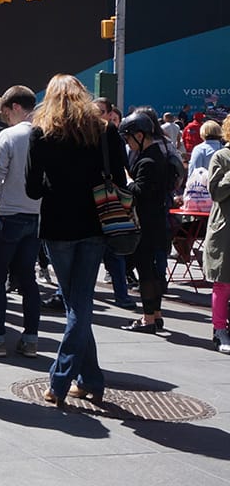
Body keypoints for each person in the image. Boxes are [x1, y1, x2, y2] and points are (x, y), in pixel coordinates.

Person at [28, 76, 127, 404]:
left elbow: (32, 189)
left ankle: (59, 381)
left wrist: (53, 181)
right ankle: (91, 380)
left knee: (77, 304)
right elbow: (122, 178)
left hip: (58, 226)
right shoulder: (104, 131)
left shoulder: (41, 134)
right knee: (79, 304)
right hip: (97, 223)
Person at [0, 86, 42, 358]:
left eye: (4, 111)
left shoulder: (9, 136)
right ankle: (31, 338)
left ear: (14, 107)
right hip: (37, 216)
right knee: (28, 279)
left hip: (9, 214)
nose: (3, 117)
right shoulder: (47, 133)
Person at [119, 112, 175, 334]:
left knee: (145, 271)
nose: (128, 143)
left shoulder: (147, 160)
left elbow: (139, 191)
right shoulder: (158, 154)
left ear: (140, 135)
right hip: (156, 221)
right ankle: (156, 315)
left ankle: (148, 318)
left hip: (145, 223)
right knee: (150, 270)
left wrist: (128, 180)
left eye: (129, 138)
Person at [204, 125, 230, 354]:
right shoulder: (221, 156)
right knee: (223, 283)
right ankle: (219, 329)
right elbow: (216, 193)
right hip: (225, 229)